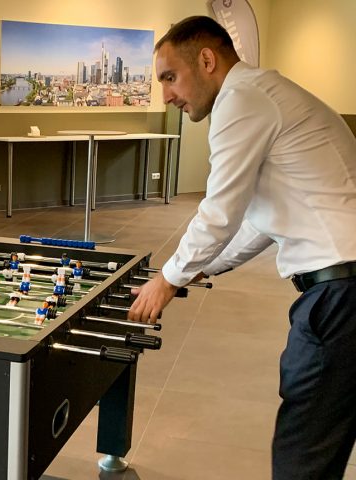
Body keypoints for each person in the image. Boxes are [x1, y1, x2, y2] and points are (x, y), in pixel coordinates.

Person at [128, 16, 356, 480]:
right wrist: (201, 269)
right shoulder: (266, 93)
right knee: (324, 438)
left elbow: (219, 210)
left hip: (339, 298)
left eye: (170, 77)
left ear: (207, 60)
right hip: (345, 290)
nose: (167, 96)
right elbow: (260, 222)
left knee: (304, 452)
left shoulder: (241, 98)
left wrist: (167, 279)